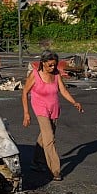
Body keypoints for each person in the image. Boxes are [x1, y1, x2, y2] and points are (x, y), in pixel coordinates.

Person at [22, 50, 83, 181]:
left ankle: (37, 162)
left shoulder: (56, 74)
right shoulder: (35, 75)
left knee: (45, 137)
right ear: (43, 63)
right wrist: (26, 113)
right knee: (49, 139)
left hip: (54, 108)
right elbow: (25, 92)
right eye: (50, 65)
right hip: (40, 108)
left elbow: (63, 90)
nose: (53, 67)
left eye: (54, 65)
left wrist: (74, 102)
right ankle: (55, 170)